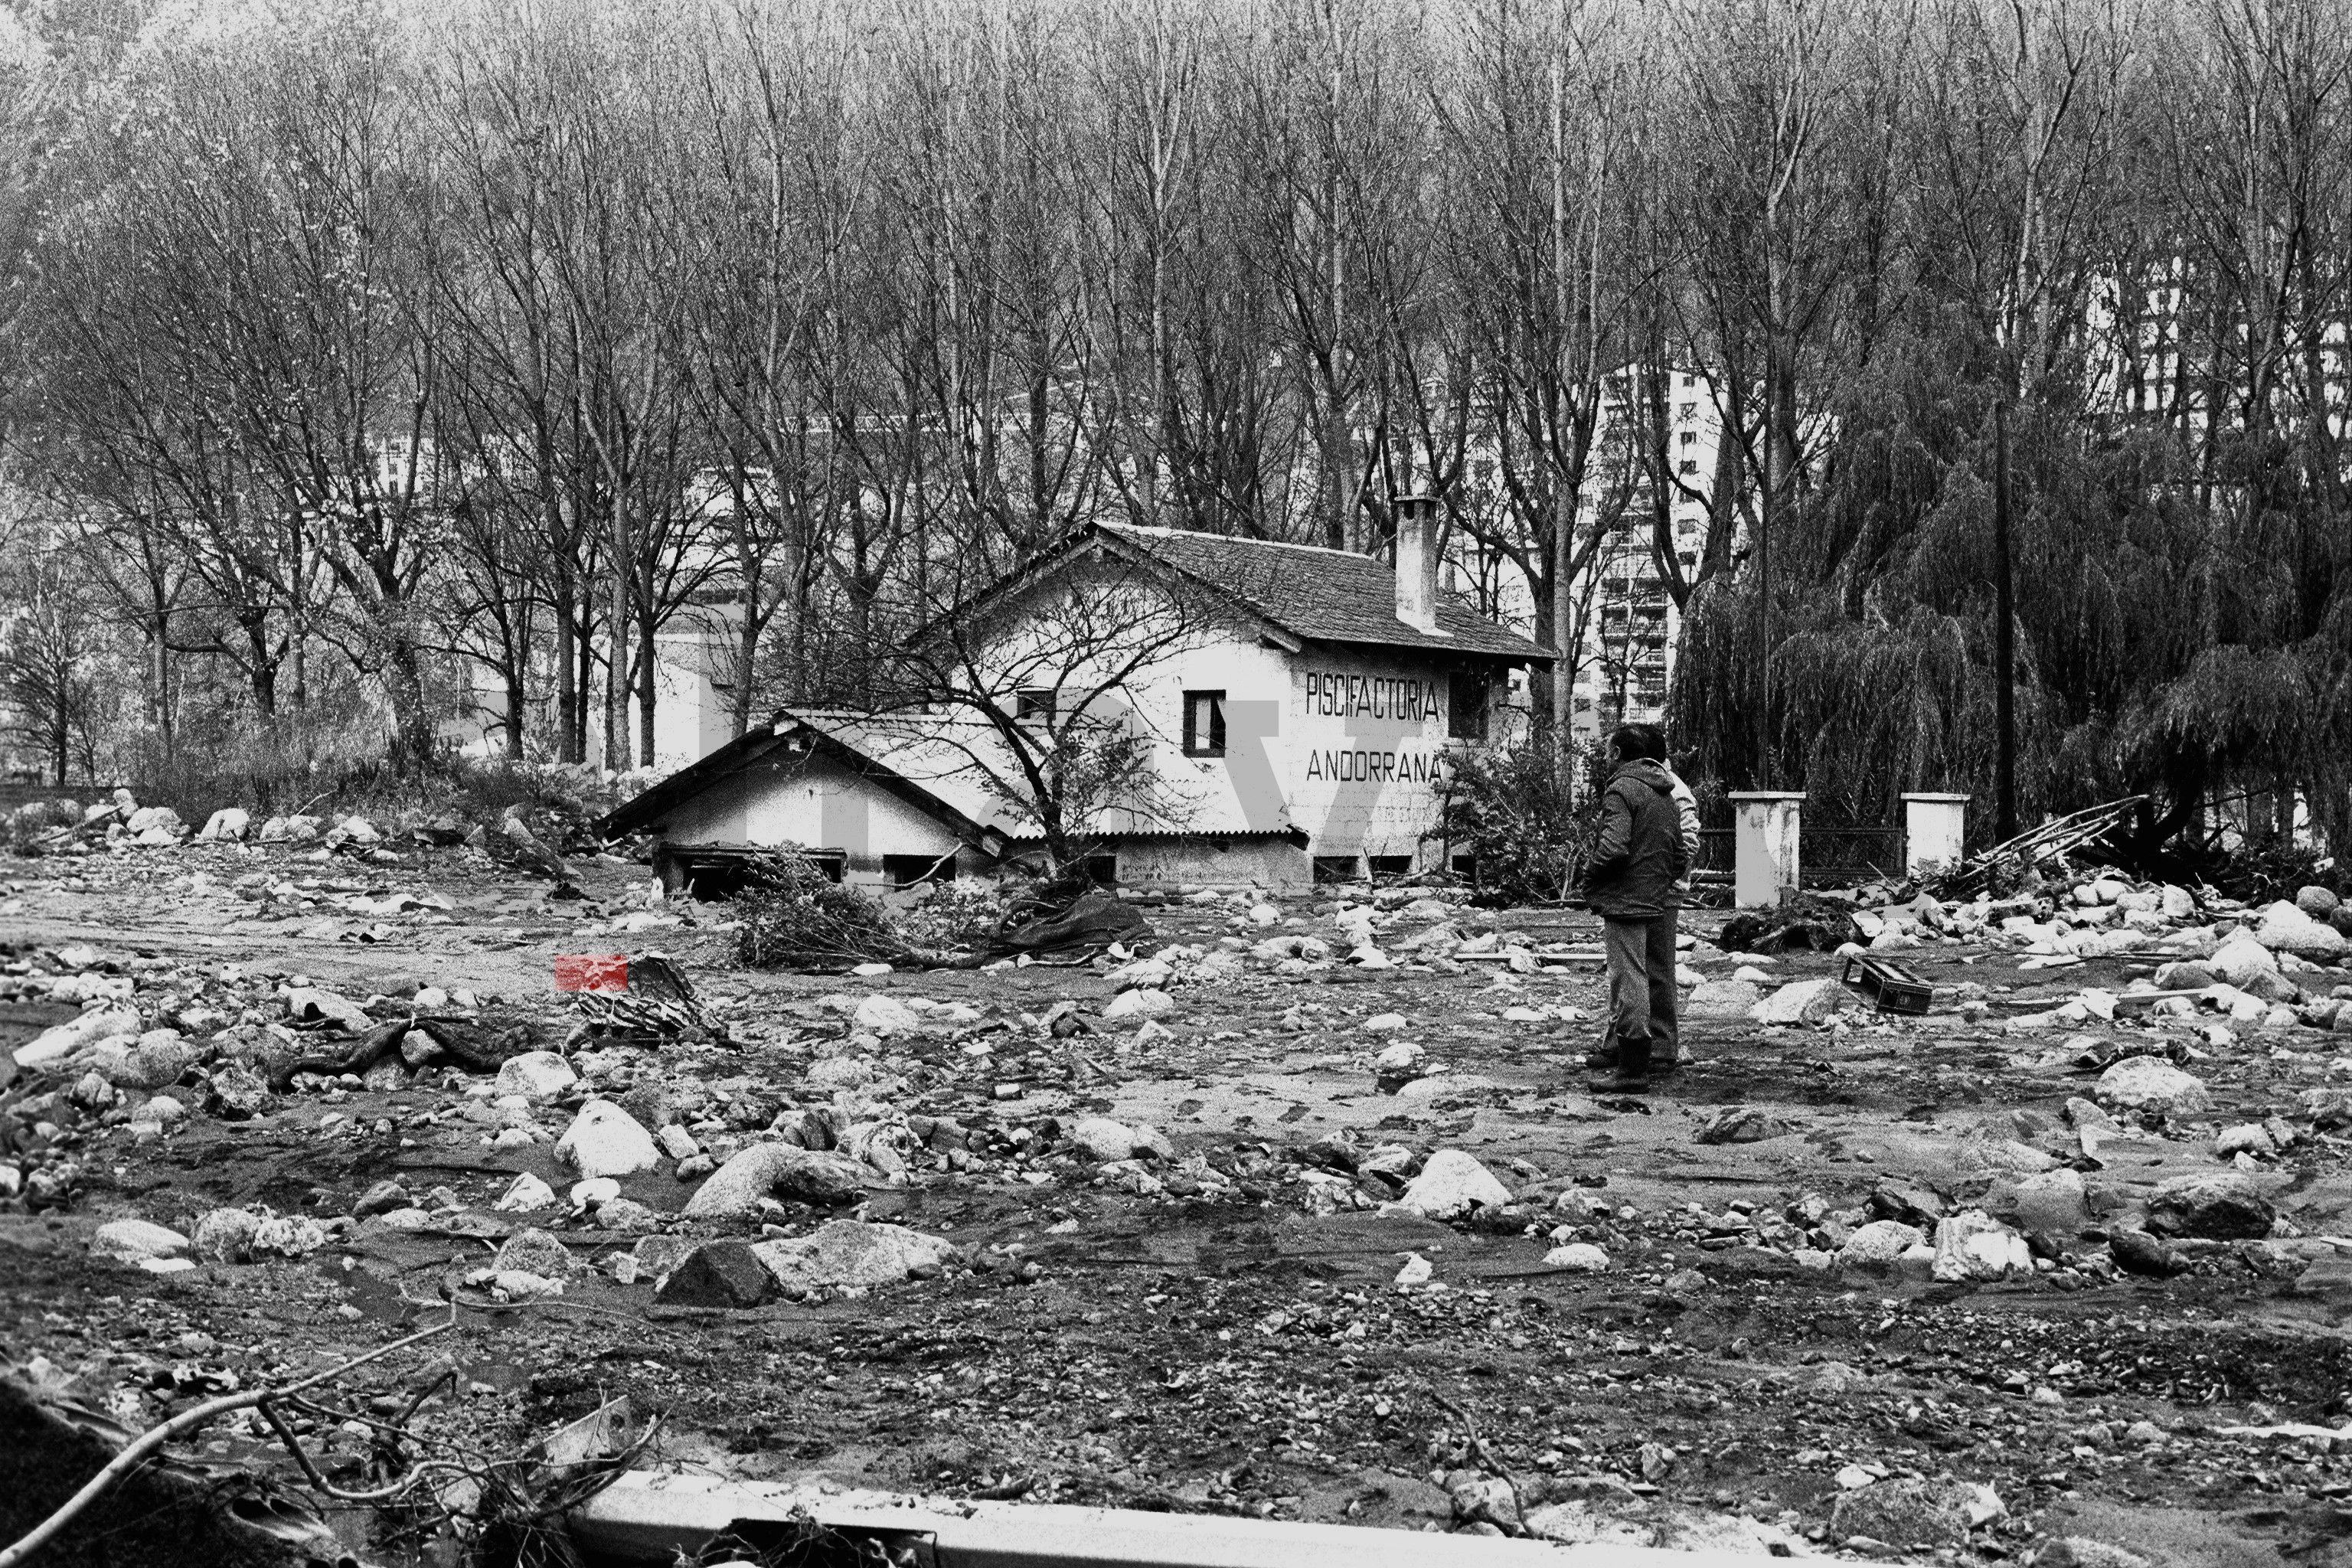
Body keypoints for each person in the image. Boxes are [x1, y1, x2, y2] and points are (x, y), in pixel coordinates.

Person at [1583, 723, 1689, 1093]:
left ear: (1617, 754)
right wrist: (1657, 883)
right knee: (1651, 974)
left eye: (1608, 750)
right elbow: (1680, 854)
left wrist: (1591, 874)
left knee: (1628, 978)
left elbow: (1613, 848)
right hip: (1655, 898)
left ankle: (1631, 1070)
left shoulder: (1620, 790)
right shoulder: (1666, 794)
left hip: (1626, 899)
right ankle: (1652, 1055)